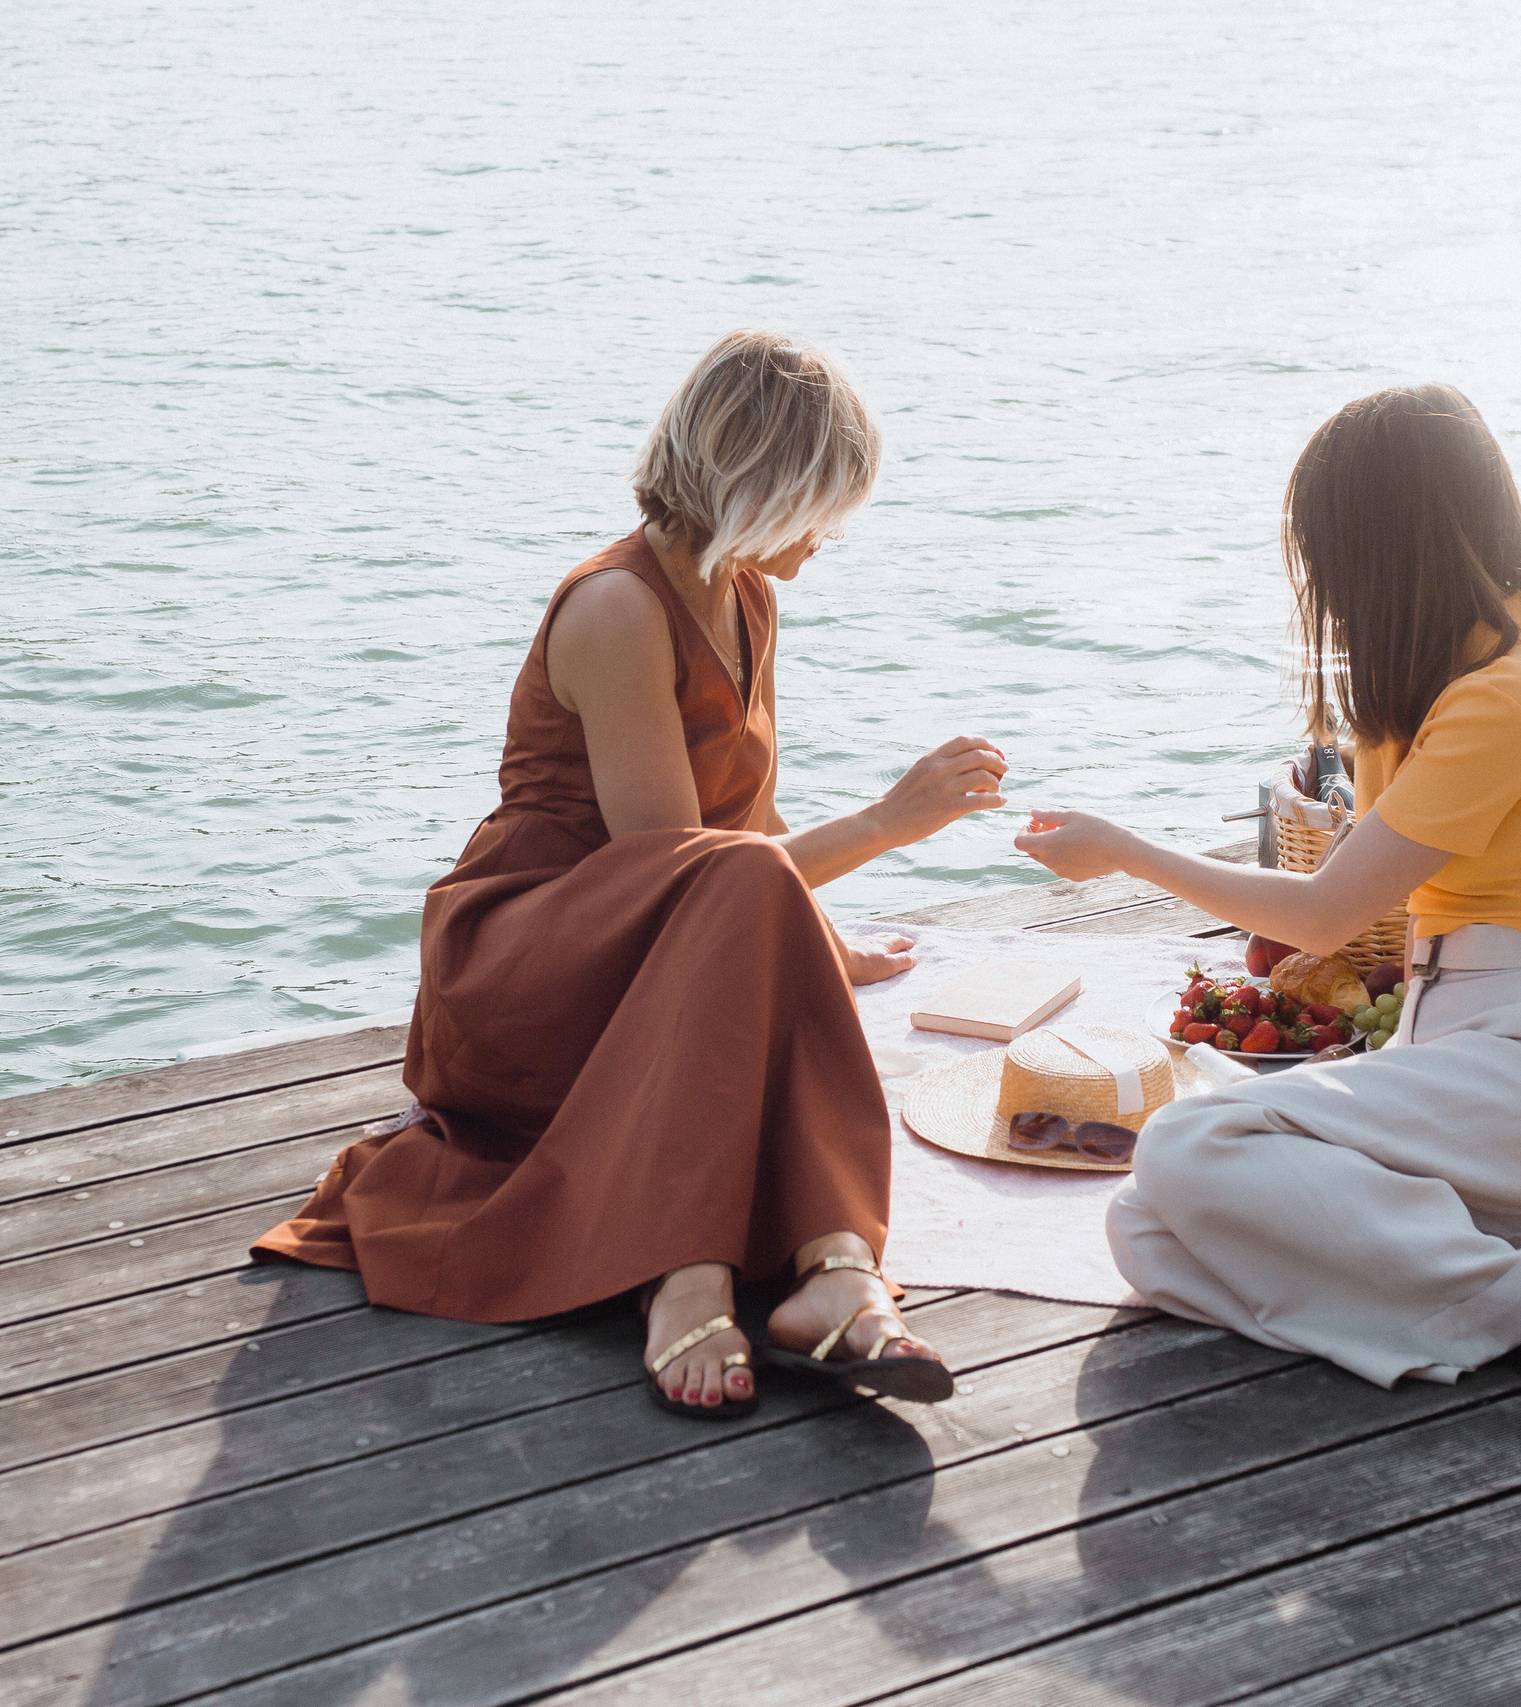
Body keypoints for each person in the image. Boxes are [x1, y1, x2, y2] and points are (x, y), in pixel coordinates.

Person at [254, 329, 1006, 1419]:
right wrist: (888, 823)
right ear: (760, 488)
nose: (831, 534)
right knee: (736, 882)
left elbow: (740, 818)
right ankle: (685, 1272)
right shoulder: (616, 607)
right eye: (821, 505)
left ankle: (837, 1269)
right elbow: (686, 878)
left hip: (650, 954)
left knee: (758, 906)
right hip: (529, 960)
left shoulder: (746, 596)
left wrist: (820, 950)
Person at [1013, 383, 1521, 1438]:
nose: (1322, 584)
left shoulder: (1509, 690)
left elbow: (1323, 915)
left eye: (1329, 553)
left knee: (1186, 1151)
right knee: (1150, 1229)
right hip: (1476, 1070)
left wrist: (1125, 852)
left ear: (1383, 546)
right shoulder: (1445, 679)